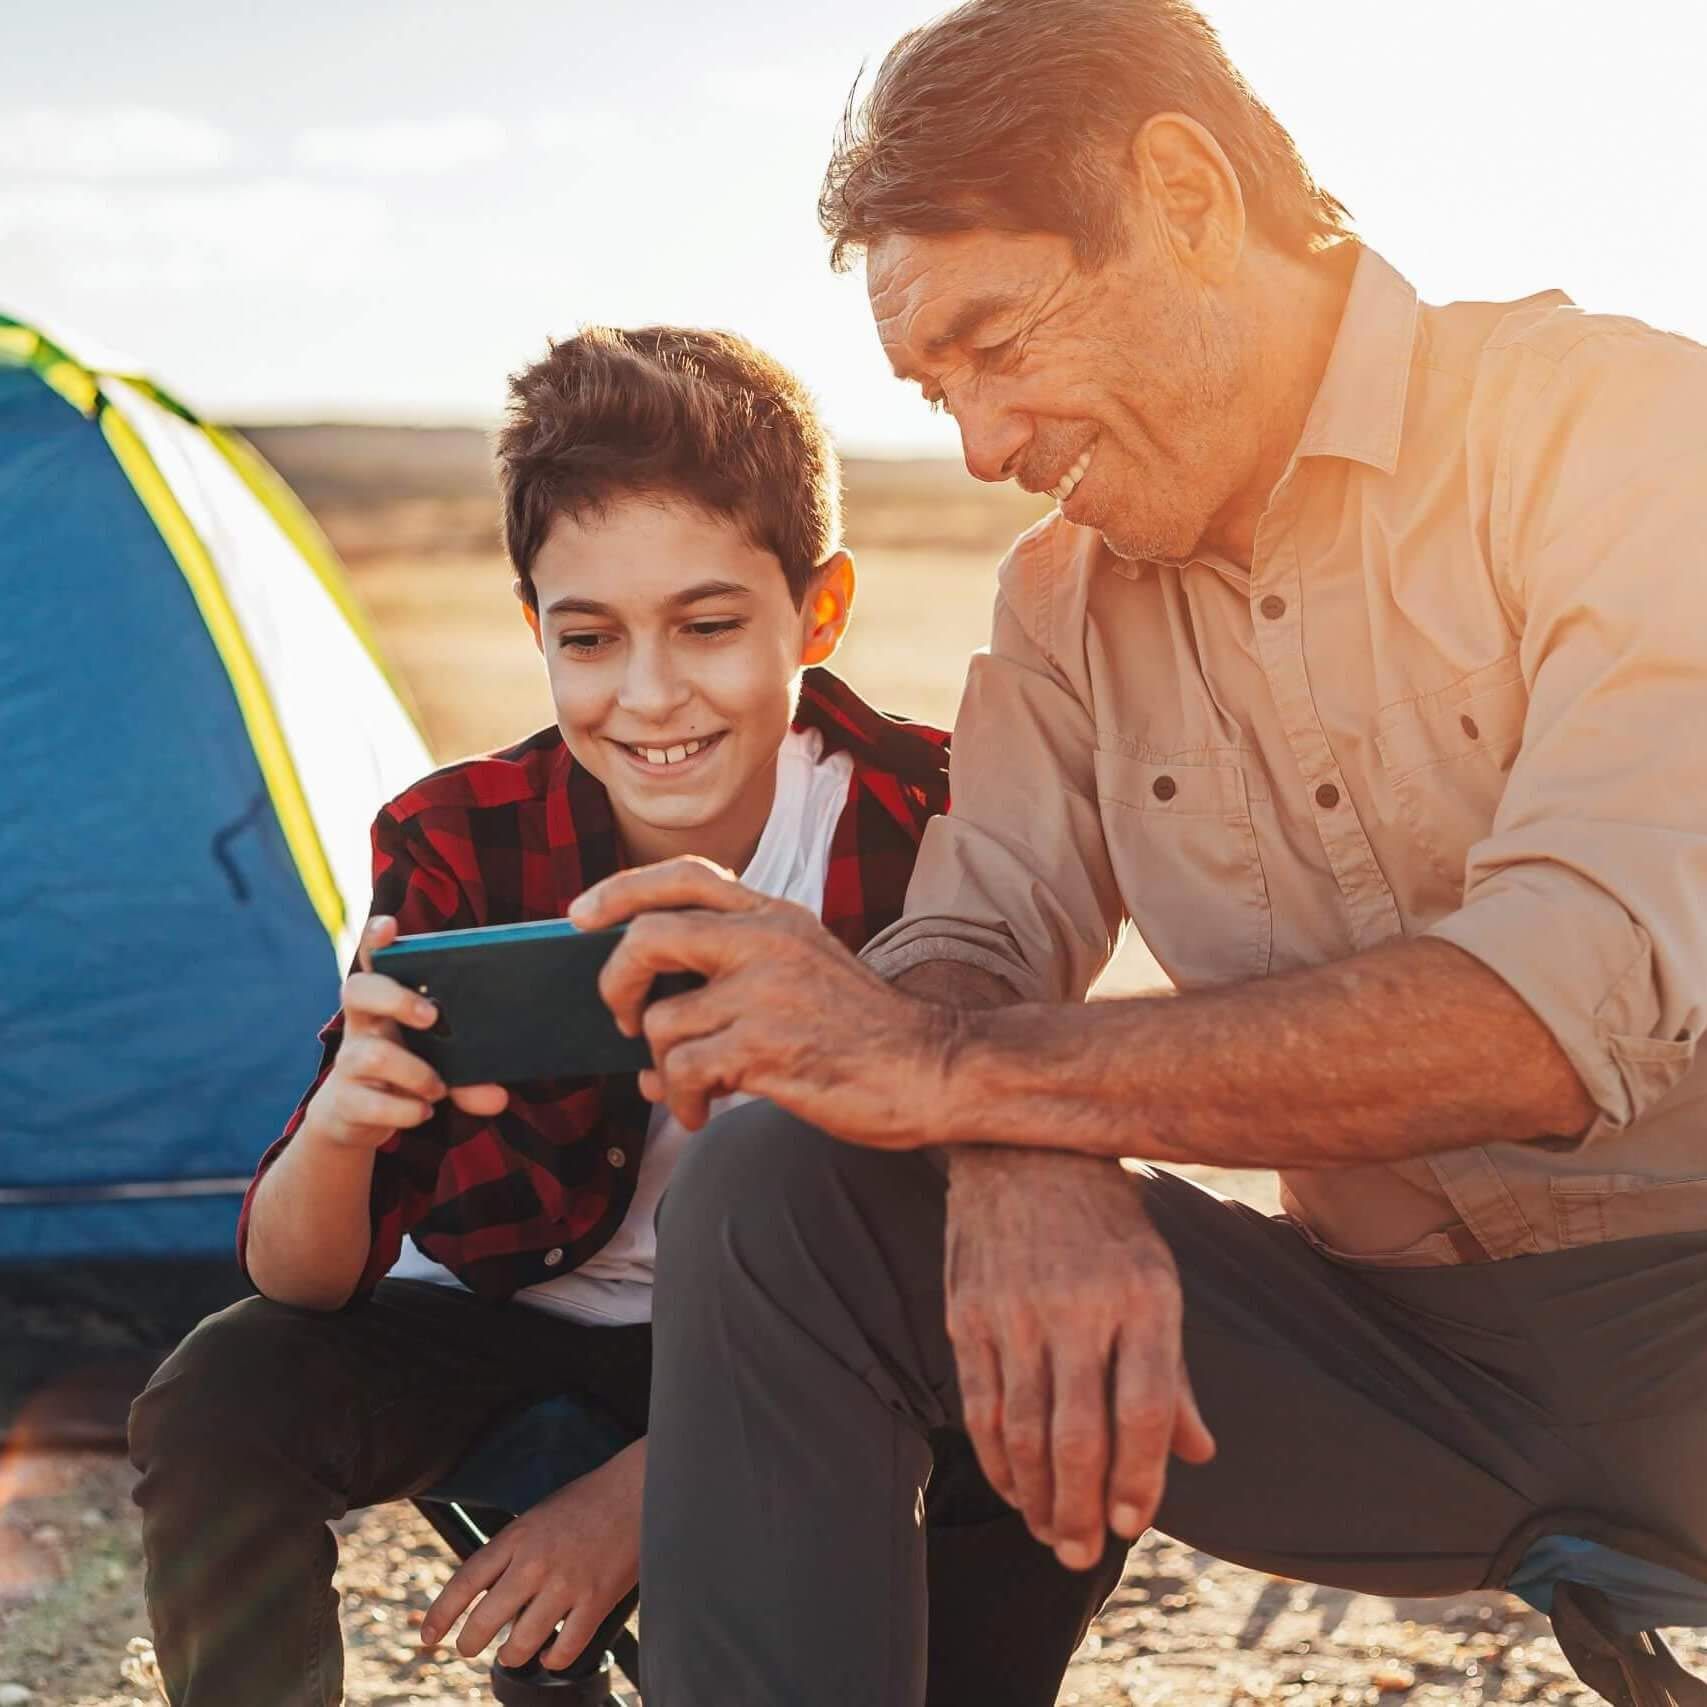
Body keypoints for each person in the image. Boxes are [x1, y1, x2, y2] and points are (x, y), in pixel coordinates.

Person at [561, 2, 1707, 1703]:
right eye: (934, 389)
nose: (980, 443)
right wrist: (1019, 1148)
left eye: (996, 343)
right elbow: (965, 947)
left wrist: (961, 1074)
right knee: (788, 1180)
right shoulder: (1061, 602)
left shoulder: (1614, 431)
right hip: (1380, 1374)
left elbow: (1550, 1015)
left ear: (1182, 196)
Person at [127, 325, 987, 1707]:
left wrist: (635, 1504)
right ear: (535, 627)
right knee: (214, 1395)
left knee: (1016, 1380)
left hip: (807, 1347)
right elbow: (299, 1280)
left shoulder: (929, 823)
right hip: (510, 1321)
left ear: (817, 615)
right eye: (588, 638)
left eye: (709, 625)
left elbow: (961, 1242)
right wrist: (345, 1128)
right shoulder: (457, 839)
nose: (649, 695)